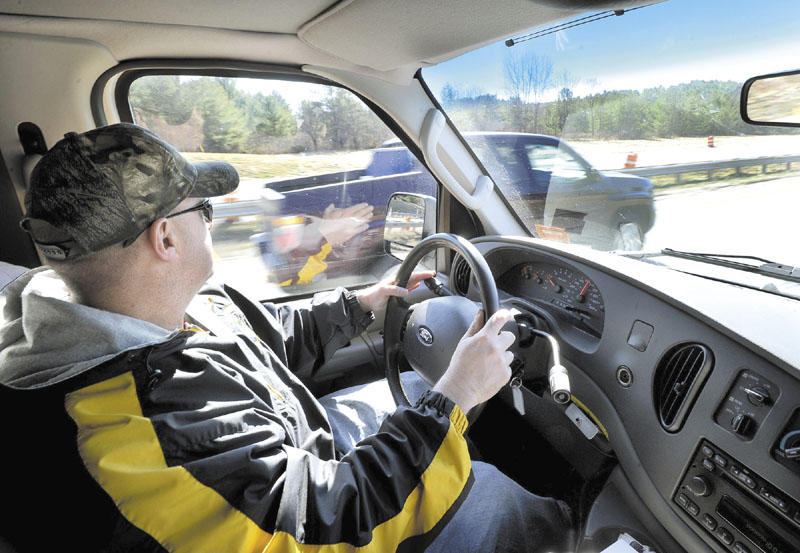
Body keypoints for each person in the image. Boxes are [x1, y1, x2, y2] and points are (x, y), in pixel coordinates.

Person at [0, 123, 573, 552]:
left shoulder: (155, 308)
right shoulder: (136, 434)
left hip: (295, 453)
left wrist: (360, 305)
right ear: (166, 238)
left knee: (392, 401)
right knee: (495, 498)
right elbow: (321, 527)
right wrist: (455, 396)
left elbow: (258, 336)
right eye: (202, 208)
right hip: (321, 516)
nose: (211, 219)